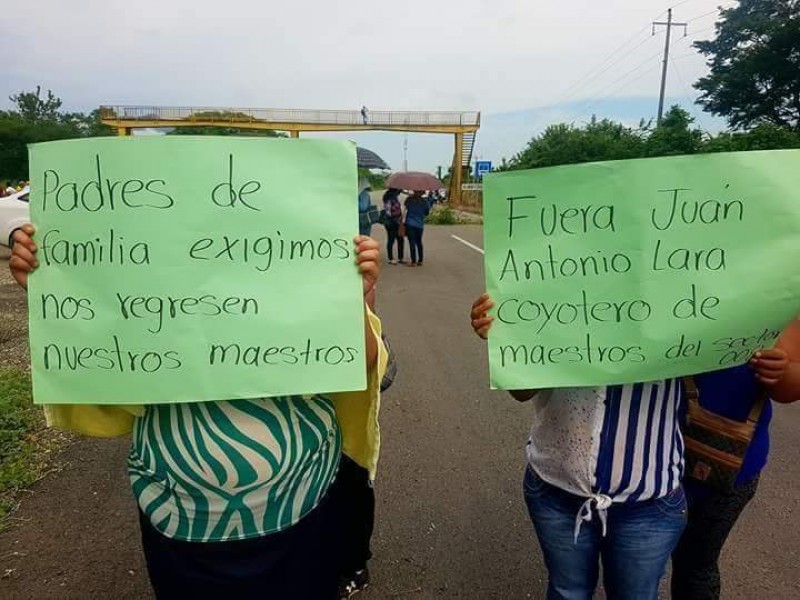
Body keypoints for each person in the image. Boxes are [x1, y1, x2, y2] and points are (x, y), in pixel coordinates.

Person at [10, 224, 388, 600]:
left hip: (301, 500)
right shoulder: (150, 244)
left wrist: (354, 296)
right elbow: (104, 331)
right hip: (176, 510)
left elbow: (360, 361)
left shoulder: (300, 235)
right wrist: (51, 287)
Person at [671, 319, 800, 600]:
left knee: (695, 565)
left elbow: (791, 383)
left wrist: (782, 371)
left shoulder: (778, 292)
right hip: (640, 461)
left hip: (726, 469)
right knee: (634, 563)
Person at [404, 191, 430, 267]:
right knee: (419, 242)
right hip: (419, 225)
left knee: (412, 242)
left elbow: (406, 207)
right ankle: (420, 260)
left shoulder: (409, 199)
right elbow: (426, 213)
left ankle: (413, 261)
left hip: (410, 223)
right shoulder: (425, 202)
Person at [382, 188, 405, 265]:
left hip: (396, 222)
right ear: (395, 191)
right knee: (391, 239)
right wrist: (397, 213)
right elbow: (388, 212)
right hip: (391, 223)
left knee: (400, 239)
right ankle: (391, 258)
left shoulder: (394, 198)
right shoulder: (389, 199)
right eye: (399, 191)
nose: (399, 192)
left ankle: (400, 258)